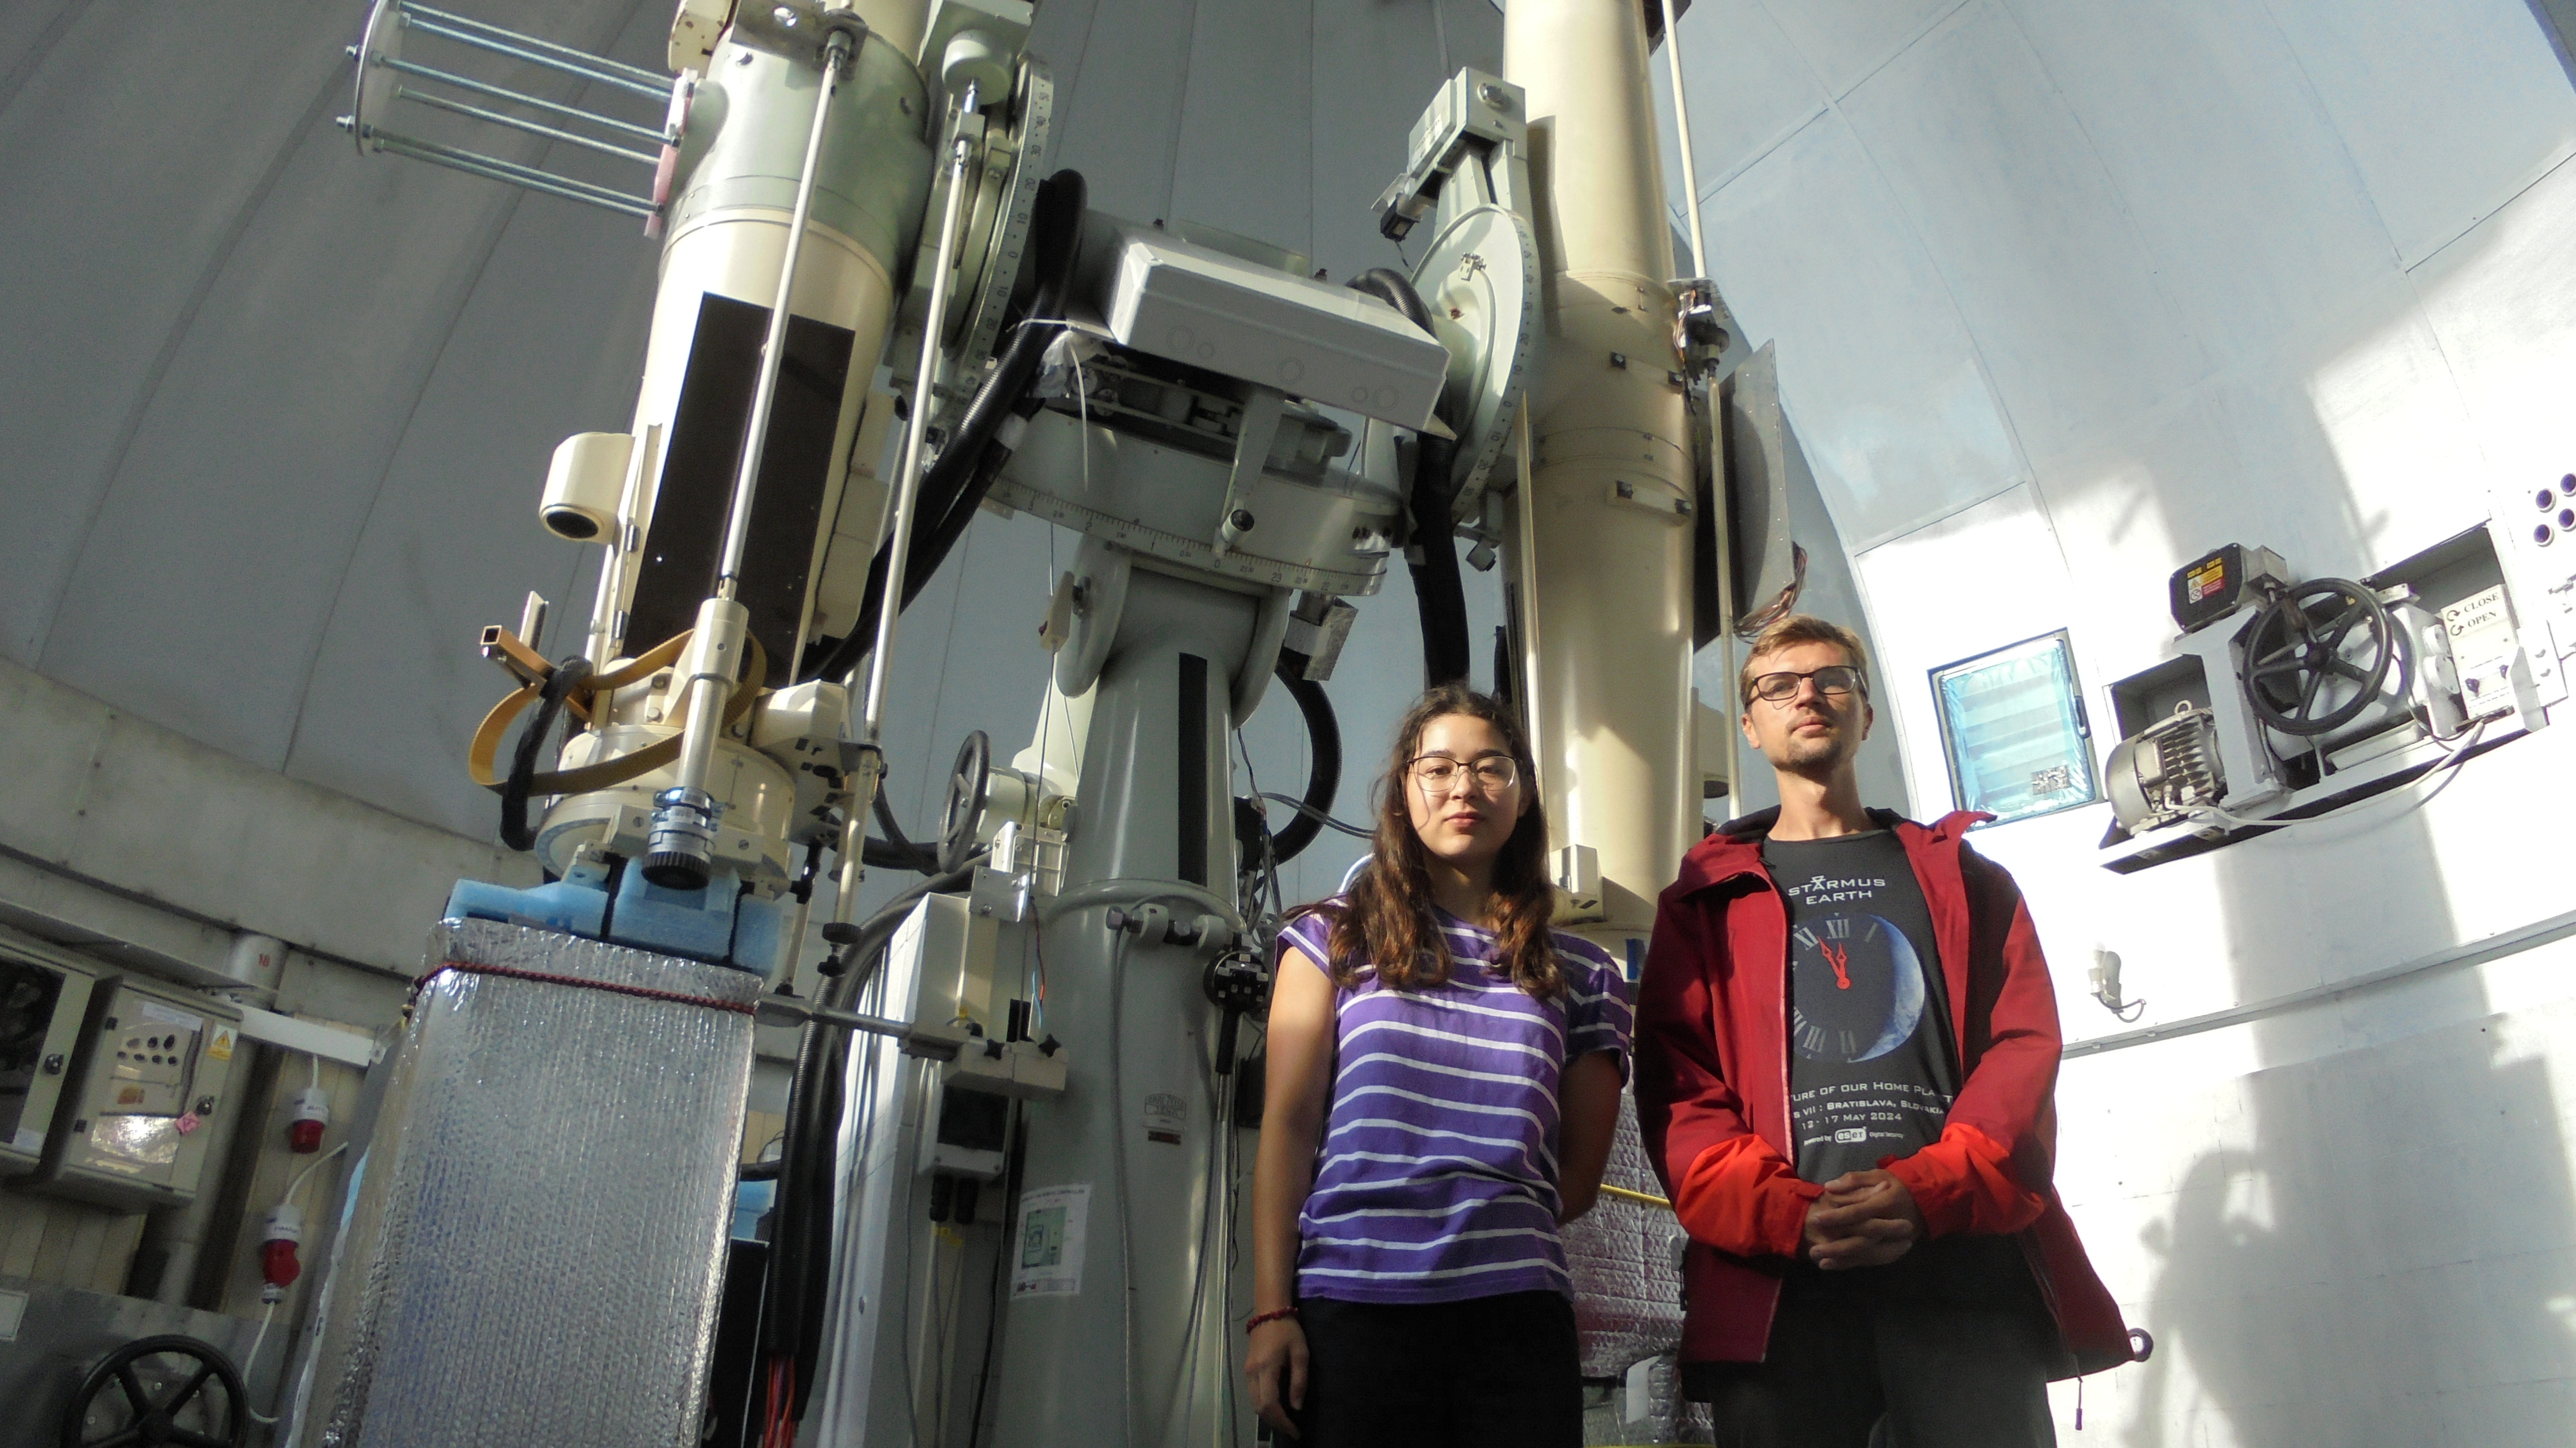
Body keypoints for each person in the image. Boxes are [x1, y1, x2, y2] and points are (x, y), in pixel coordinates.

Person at [1632, 616, 2134, 1447]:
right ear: (1750, 727)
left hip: (1962, 1276)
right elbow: (1680, 1088)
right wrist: (1788, 1214)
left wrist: (1926, 1192)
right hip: (1783, 1293)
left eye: (1832, 679)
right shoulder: (1704, 905)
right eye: (1778, 685)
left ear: (1866, 714)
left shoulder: (1967, 880)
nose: (1808, 695)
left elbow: (2020, 1052)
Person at [1242, 684, 1632, 1446]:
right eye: (1439, 768)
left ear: (1523, 795)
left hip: (1514, 1324)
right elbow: (1287, 1127)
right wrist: (1271, 1310)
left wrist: (1476, 1230)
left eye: (1491, 768)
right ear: (1402, 794)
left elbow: (1579, 1179)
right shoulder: (1330, 939)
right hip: (1351, 1312)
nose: (1464, 787)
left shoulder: (1583, 974)